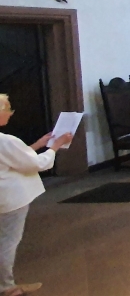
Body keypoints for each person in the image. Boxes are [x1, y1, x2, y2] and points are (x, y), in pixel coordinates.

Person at [0, 94, 72, 296]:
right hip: (10, 199)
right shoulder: (5, 140)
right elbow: (37, 164)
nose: (10, 114)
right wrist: (55, 147)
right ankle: (6, 287)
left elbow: (14, 159)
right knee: (7, 242)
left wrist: (39, 144)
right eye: (7, 110)